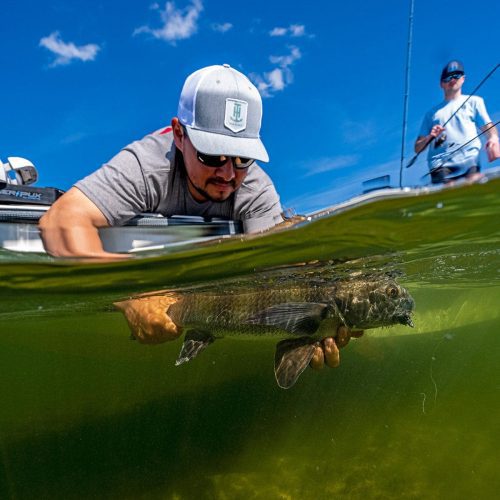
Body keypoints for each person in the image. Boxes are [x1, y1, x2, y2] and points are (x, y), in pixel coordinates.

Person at [39, 64, 284, 259]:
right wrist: (135, 298)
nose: (229, 174)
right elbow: (62, 219)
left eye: (243, 157)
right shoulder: (148, 166)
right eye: (212, 155)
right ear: (178, 134)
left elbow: (276, 264)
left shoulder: (255, 188)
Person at [414, 60, 499, 184]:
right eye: (448, 77)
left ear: (463, 79)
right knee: (448, 194)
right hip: (439, 164)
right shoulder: (431, 114)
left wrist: (494, 139)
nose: (453, 79)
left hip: (469, 158)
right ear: (441, 84)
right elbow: (417, 148)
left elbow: (487, 125)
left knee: (472, 188)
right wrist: (430, 137)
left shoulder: (475, 101)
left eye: (457, 75)